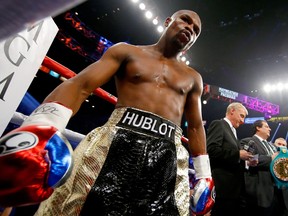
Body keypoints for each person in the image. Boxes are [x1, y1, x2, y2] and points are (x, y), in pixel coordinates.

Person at [0, 10, 214, 215]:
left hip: (167, 155)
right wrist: (43, 125)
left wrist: (204, 174)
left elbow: (195, 126)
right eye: (186, 20)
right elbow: (81, 85)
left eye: (196, 30)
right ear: (168, 21)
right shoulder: (127, 52)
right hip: (114, 142)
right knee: (78, 207)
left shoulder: (193, 77)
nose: (190, 29)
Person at [207, 102, 254, 216]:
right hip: (223, 188)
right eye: (241, 116)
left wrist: (246, 161)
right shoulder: (219, 124)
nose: (243, 121)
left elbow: (233, 156)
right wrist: (238, 154)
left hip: (234, 189)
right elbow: (212, 150)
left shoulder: (233, 131)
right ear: (232, 111)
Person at [240, 120, 280, 216]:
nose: (269, 129)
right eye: (266, 126)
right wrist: (271, 158)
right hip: (259, 193)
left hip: (275, 191)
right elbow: (249, 158)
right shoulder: (248, 141)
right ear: (258, 128)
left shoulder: (272, 146)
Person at [273, 137, 288, 216]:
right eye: (279, 144)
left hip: (285, 193)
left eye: (284, 145)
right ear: (273, 145)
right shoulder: (269, 155)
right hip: (271, 191)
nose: (281, 146)